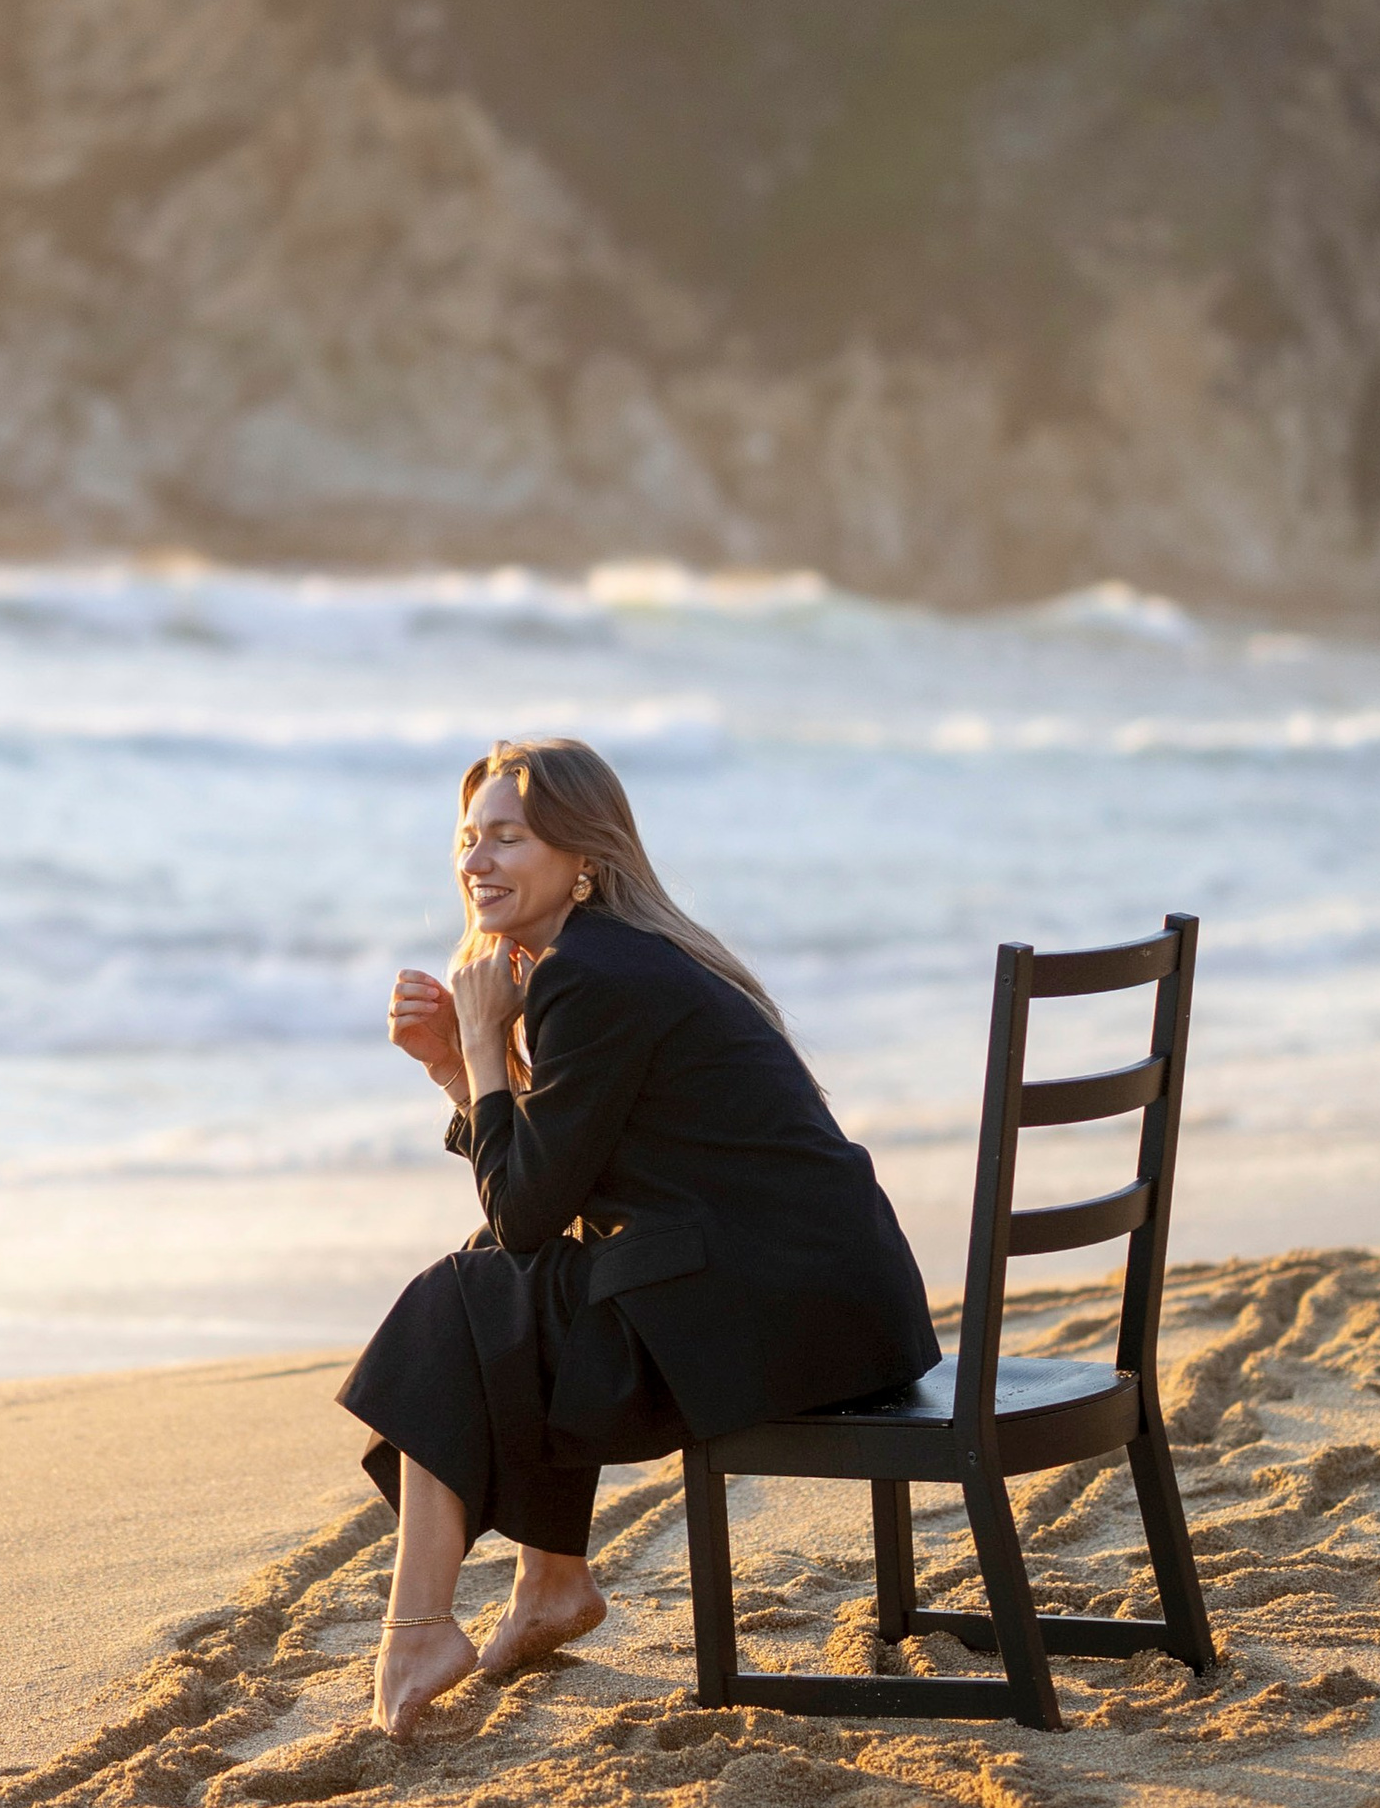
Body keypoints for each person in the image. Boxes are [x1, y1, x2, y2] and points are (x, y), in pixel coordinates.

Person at [340, 737, 938, 1739]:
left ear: (584, 855)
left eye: (507, 838)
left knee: (469, 1293)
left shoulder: (593, 974)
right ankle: (547, 1585)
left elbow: (530, 1209)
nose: (474, 862)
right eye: (465, 839)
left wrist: (482, 1049)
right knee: (495, 1281)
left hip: (779, 1323)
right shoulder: (611, 956)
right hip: (821, 1305)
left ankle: (423, 1624)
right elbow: (554, 1193)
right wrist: (459, 1068)